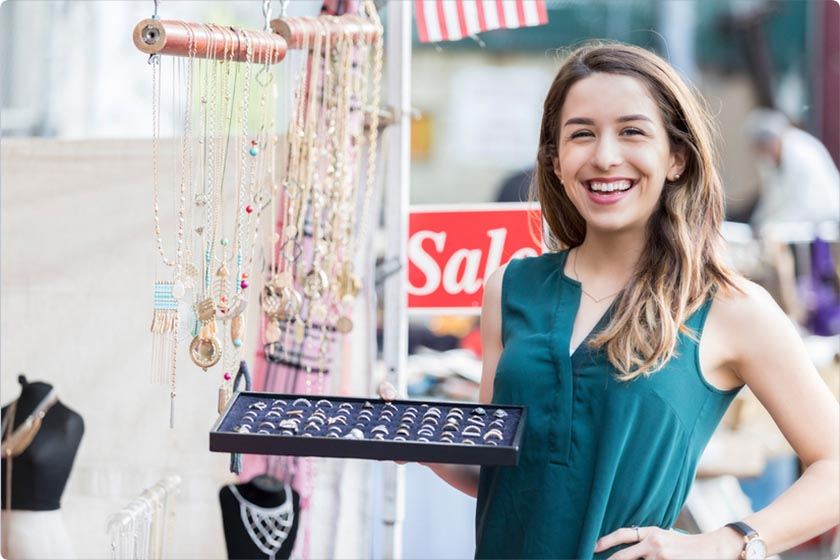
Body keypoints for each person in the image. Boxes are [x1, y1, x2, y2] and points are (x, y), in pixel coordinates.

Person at [382, 42, 839, 559]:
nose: (604, 156)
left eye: (632, 131)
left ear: (676, 158)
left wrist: (723, 543)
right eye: (581, 134)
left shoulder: (729, 306)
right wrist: (416, 437)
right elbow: (501, 467)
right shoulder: (509, 287)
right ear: (555, 162)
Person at [745, 108, 840, 232]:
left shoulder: (800, 151)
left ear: (771, 142)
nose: (761, 154)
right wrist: (756, 224)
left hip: (825, 221)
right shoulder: (770, 162)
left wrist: (771, 227)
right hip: (801, 225)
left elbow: (803, 203)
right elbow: (770, 201)